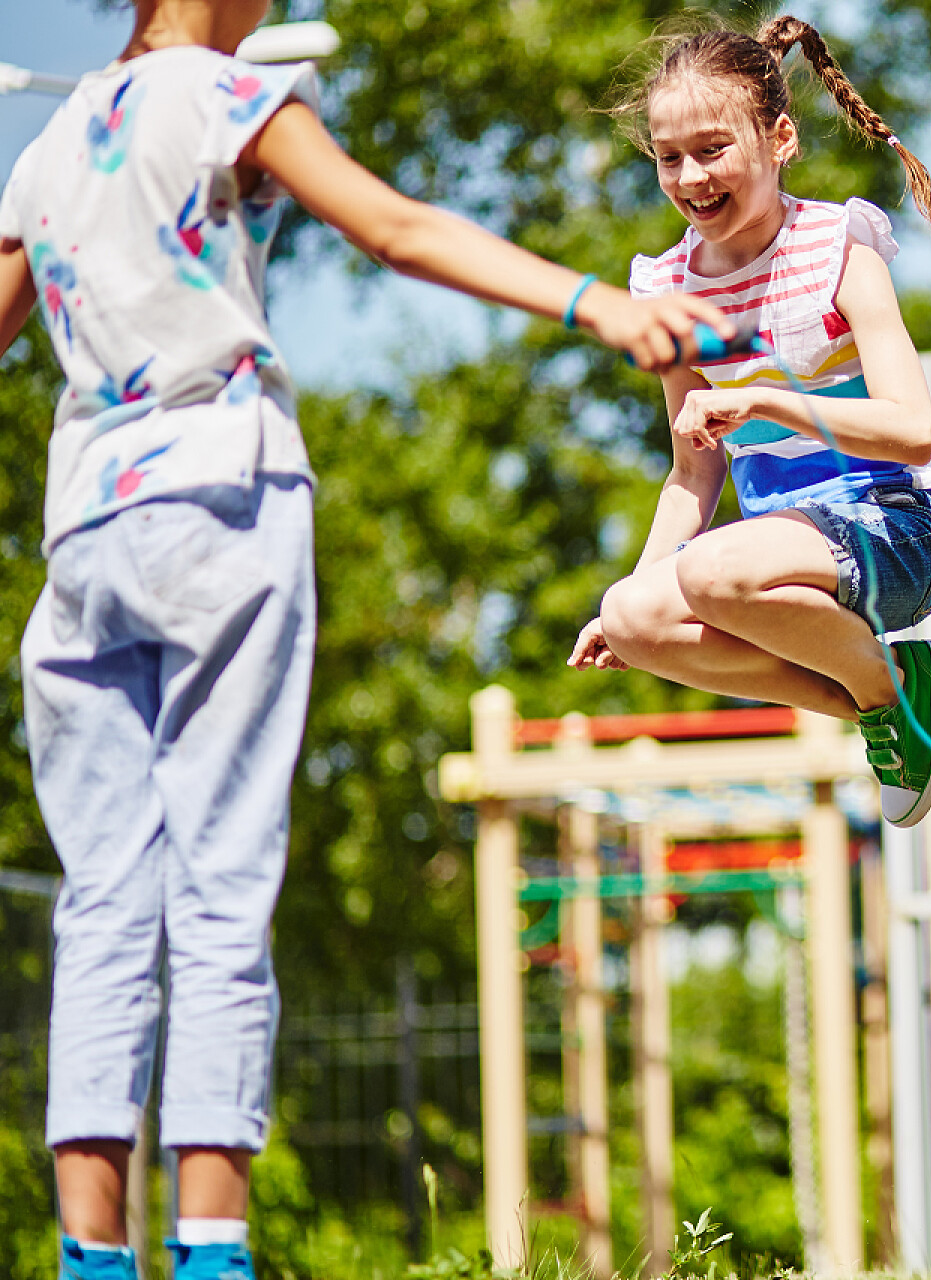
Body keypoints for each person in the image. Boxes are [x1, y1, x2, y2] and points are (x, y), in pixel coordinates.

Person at [0, 2, 728, 1276]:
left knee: (105, 900)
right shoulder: (224, 95)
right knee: (220, 884)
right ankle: (214, 1251)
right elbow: (392, 228)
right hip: (221, 498)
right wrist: (592, 305)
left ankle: (90, 1258)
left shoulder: (48, 145)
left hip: (86, 536)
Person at [567, 16, 931, 829]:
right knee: (632, 614)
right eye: (668, 156)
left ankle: (890, 692)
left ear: (780, 137)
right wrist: (638, 594)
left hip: (898, 531)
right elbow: (694, 471)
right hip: (779, 559)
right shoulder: (668, 288)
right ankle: (887, 701)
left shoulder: (837, 248)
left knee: (714, 574)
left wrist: (766, 401)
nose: (690, 176)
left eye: (712, 149)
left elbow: (913, 430)